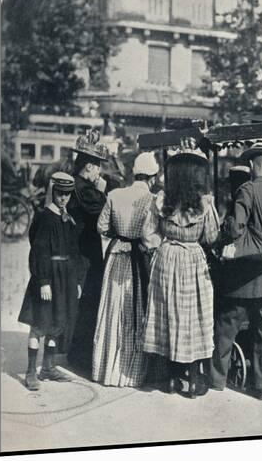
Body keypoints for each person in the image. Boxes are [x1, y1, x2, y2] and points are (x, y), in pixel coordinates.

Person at [210, 141, 262, 399]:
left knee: (226, 326)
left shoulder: (246, 189)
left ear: (255, 164)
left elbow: (236, 229)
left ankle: (217, 380)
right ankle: (261, 387)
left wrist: (227, 227)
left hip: (244, 278)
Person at [142, 139, 220, 399]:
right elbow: (210, 237)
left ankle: (171, 378)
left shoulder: (162, 199)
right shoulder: (205, 203)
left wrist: (163, 247)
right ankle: (195, 379)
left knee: (167, 314)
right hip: (193, 261)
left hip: (167, 258)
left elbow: (148, 235)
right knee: (194, 316)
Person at [92, 152, 159, 387]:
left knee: (111, 308)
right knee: (132, 310)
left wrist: (117, 233)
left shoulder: (115, 194)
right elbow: (150, 238)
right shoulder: (151, 200)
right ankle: (129, 372)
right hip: (136, 259)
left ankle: (104, 369)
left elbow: (101, 226)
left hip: (115, 256)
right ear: (152, 177)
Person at [18, 172, 84, 390]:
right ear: (52, 192)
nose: (63, 198)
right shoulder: (46, 217)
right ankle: (30, 371)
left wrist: (75, 281)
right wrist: (43, 280)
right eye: (60, 193)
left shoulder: (67, 218)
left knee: (57, 322)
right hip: (47, 277)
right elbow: (38, 251)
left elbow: (73, 251)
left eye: (67, 194)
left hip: (64, 278)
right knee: (39, 323)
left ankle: (48, 367)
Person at [67, 130, 111, 372]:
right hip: (84, 254)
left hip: (80, 250)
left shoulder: (74, 184)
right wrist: (105, 190)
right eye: (97, 167)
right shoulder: (83, 190)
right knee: (88, 303)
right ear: (89, 167)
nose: (99, 172)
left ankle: (74, 351)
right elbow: (106, 210)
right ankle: (80, 357)